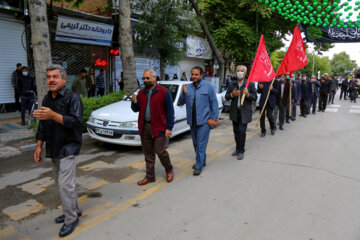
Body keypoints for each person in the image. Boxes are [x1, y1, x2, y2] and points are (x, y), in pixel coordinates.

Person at [33, 65, 83, 238]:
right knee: (63, 184)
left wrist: (54, 115)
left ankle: (71, 219)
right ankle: (75, 209)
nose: (51, 80)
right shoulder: (47, 99)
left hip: (69, 147)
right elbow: (43, 124)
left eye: (55, 76)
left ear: (64, 78)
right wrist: (39, 146)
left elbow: (76, 123)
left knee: (64, 185)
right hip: (53, 147)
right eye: (48, 77)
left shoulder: (73, 98)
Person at [131, 69, 175, 185]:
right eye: (144, 78)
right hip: (145, 127)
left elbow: (170, 111)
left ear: (154, 78)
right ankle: (150, 176)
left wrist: (169, 128)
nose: (145, 80)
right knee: (148, 154)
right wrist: (134, 102)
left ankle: (169, 169)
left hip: (159, 127)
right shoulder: (141, 93)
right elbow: (136, 109)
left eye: (148, 78)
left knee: (160, 151)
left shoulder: (164, 92)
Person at [178, 66, 219, 175]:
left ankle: (199, 165)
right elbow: (180, 103)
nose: (194, 76)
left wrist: (214, 119)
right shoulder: (187, 87)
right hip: (192, 122)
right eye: (192, 74)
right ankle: (202, 160)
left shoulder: (209, 87)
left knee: (201, 144)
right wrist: (183, 93)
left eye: (196, 74)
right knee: (196, 144)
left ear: (201, 75)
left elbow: (214, 104)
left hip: (204, 121)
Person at [225, 65, 256, 159]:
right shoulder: (232, 83)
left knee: (242, 131)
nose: (239, 72)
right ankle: (237, 148)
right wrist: (232, 94)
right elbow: (226, 96)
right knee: (236, 131)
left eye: (241, 71)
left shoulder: (249, 84)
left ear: (245, 73)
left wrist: (247, 94)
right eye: (238, 70)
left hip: (245, 112)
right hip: (235, 111)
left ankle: (241, 150)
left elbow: (254, 97)